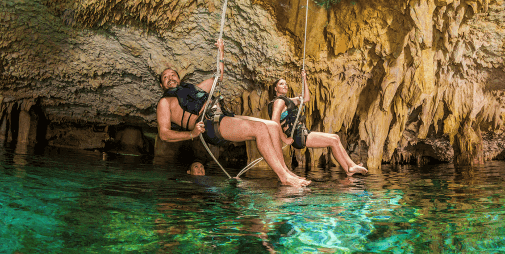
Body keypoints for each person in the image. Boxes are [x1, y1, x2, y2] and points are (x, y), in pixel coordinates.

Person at [157, 39, 310, 187]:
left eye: (172, 75)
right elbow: (164, 134)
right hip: (211, 124)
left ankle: (286, 171)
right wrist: (192, 134)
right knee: (260, 129)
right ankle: (283, 177)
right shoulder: (165, 102)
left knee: (272, 126)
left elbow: (218, 77)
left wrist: (221, 53)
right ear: (161, 85)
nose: (170, 78)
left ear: (178, 77)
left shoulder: (194, 90)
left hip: (222, 116)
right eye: (165, 77)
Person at [269, 69, 367, 176]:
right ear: (275, 88)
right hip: (298, 136)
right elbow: (274, 122)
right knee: (333, 140)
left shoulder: (288, 100)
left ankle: (349, 170)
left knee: (335, 138)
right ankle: (351, 166)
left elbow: (306, 98)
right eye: (281, 84)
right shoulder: (279, 101)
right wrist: (285, 139)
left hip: (302, 133)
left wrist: (304, 78)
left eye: (286, 84)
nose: (285, 86)